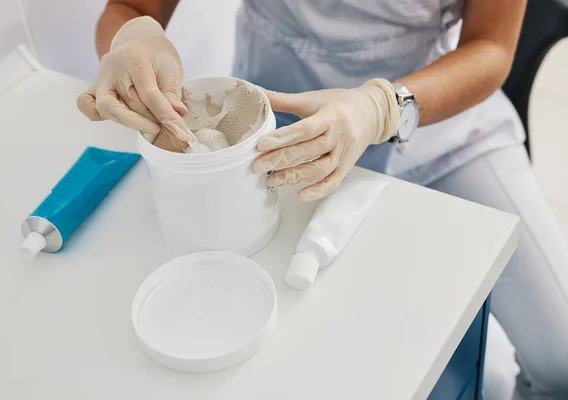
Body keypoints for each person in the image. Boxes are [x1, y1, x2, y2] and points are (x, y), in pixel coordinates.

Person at [77, 0, 568, 398]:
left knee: (560, 357)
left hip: (432, 116)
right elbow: (130, 7)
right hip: (276, 131)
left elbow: (492, 46)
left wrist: (381, 108)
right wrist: (131, 37)